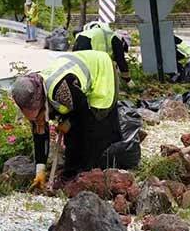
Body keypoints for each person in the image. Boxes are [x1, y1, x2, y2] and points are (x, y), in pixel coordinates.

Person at [11, 50, 137, 189]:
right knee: (72, 134)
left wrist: (68, 123)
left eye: (38, 115)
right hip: (74, 87)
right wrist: (40, 171)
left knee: (96, 124)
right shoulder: (30, 95)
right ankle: (74, 171)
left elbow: (83, 113)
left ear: (43, 103)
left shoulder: (61, 89)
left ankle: (91, 172)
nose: (37, 120)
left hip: (100, 68)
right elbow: (40, 133)